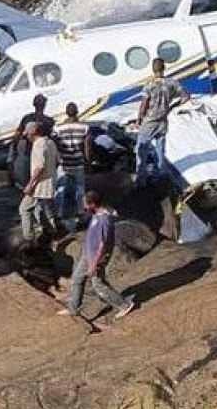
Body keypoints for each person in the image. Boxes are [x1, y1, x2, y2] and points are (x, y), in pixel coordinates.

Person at [58, 191, 136, 320]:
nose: (83, 206)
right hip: (88, 253)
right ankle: (73, 308)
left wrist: (95, 264)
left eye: (85, 203)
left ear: (93, 204)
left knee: (98, 284)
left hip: (96, 257)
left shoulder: (104, 220)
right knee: (77, 278)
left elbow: (103, 244)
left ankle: (124, 304)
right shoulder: (96, 214)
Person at [135, 58, 189, 185]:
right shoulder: (172, 83)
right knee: (160, 150)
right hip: (163, 121)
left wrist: (139, 119)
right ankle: (158, 176)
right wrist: (171, 107)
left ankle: (140, 180)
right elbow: (186, 96)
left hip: (150, 121)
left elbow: (144, 104)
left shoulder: (149, 85)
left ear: (153, 69)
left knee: (141, 151)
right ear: (164, 68)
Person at [19, 119, 60, 245]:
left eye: (27, 134)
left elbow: (39, 167)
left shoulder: (38, 145)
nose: (27, 137)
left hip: (39, 185)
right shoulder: (50, 142)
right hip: (50, 182)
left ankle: (29, 238)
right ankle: (52, 232)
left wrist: (30, 185)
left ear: (33, 132)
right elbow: (58, 160)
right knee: (46, 209)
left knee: (24, 208)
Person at [54, 102, 92, 228]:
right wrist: (88, 162)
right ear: (77, 112)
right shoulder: (84, 127)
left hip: (65, 162)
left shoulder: (58, 128)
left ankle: (58, 214)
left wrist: (59, 160)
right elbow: (87, 148)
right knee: (80, 189)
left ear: (66, 112)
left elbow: (57, 146)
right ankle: (81, 213)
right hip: (78, 162)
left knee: (61, 188)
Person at [8, 94, 53, 182]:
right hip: (43, 152)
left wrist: (13, 149)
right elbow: (51, 139)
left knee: (28, 176)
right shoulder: (49, 121)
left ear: (34, 104)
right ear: (44, 105)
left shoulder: (27, 118)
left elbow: (17, 134)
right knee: (41, 176)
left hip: (29, 152)